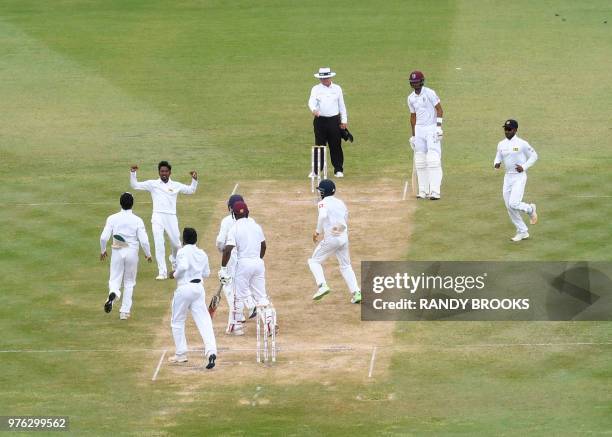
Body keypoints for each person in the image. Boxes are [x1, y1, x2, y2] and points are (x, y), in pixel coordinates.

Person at [130, 161, 198, 280]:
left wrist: (194, 180)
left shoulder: (176, 185)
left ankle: (174, 260)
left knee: (176, 244)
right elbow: (135, 185)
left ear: (170, 172)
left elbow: (191, 190)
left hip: (171, 217)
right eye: (162, 171)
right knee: (159, 243)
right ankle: (162, 271)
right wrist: (133, 173)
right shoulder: (153, 184)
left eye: (166, 171)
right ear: (159, 172)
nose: (164, 173)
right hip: (157, 216)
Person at [219, 201, 276, 336]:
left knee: (238, 296)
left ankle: (236, 327)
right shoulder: (256, 226)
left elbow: (227, 250)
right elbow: (264, 246)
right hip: (258, 263)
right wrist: (258, 259)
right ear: (248, 212)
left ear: (233, 215)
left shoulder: (234, 228)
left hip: (243, 264)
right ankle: (269, 325)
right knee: (261, 296)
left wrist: (223, 268)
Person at [168, 227, 217, 369]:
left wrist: (174, 274)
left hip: (184, 288)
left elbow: (183, 266)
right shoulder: (202, 253)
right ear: (196, 239)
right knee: (204, 321)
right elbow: (206, 273)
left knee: (177, 320)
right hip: (198, 289)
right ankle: (211, 352)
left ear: (184, 240)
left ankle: (181, 354)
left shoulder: (182, 251)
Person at [308, 179, 361, 304]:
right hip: (344, 237)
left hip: (332, 238)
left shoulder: (322, 203)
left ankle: (322, 286)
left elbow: (322, 216)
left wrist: (317, 232)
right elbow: (345, 218)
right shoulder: (341, 203)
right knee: (346, 265)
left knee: (313, 261)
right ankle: (356, 292)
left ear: (323, 192)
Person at [100, 192, 152, 319]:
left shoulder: (112, 218)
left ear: (120, 203)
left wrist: (102, 251)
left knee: (114, 278)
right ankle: (124, 312)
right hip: (132, 252)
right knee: (129, 282)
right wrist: (148, 254)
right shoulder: (137, 220)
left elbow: (103, 237)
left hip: (118, 249)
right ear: (132, 204)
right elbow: (144, 240)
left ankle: (112, 294)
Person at [215, 194, 257, 333]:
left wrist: (223, 258)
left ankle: (237, 321)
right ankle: (250, 306)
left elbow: (221, 243)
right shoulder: (251, 221)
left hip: (232, 259)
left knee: (230, 289)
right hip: (249, 257)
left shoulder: (226, 221)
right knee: (244, 285)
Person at [494, 119, 539, 242]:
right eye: (505, 129)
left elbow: (534, 156)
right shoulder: (501, 144)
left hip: (519, 177)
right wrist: (496, 163)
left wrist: (524, 167)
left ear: (515, 130)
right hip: (507, 177)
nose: (506, 132)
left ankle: (530, 209)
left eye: (509, 129)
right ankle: (523, 231)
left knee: (513, 203)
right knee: (509, 206)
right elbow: (498, 155)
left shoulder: (522, 143)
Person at [407, 70, 444, 200]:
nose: (415, 84)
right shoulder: (410, 98)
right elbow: (413, 116)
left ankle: (435, 191)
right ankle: (423, 191)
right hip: (419, 130)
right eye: (413, 82)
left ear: (422, 82)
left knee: (433, 160)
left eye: (417, 82)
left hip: (431, 128)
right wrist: (413, 136)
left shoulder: (429, 93)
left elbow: (439, 109)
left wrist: (438, 127)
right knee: (420, 161)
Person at [308, 67, 348, 177]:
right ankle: (316, 171)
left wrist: (344, 120)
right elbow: (311, 101)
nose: (324, 80)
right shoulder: (315, 89)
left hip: (334, 121)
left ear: (330, 77)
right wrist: (314, 110)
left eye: (326, 77)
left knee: (335, 145)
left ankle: (338, 169)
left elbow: (342, 105)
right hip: (320, 121)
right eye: (322, 78)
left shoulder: (337, 88)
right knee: (319, 145)